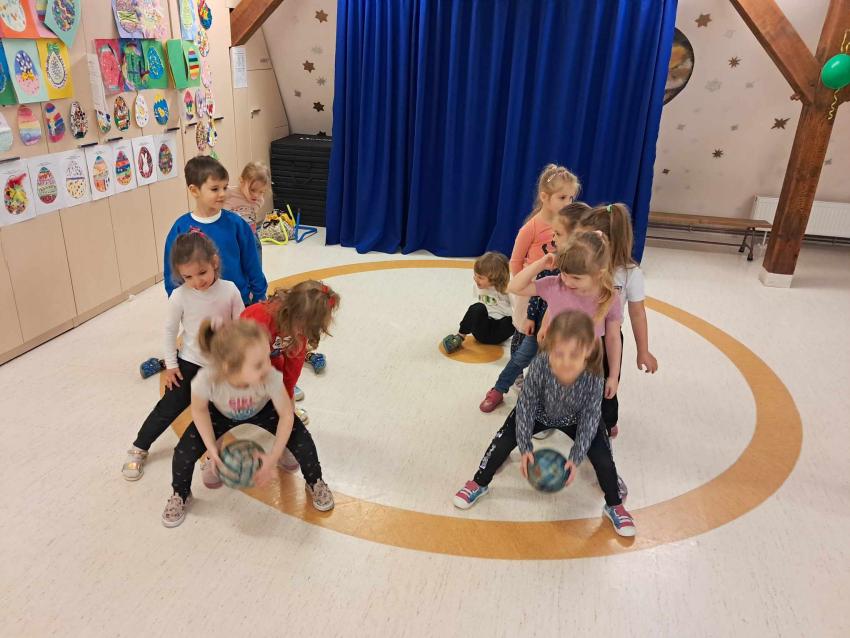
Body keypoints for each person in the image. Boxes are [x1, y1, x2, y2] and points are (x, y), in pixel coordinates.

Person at [452, 311, 636, 537]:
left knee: (604, 460)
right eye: (558, 353)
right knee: (501, 443)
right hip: (537, 414)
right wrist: (525, 447)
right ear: (548, 349)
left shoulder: (594, 376)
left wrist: (576, 457)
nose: (565, 362)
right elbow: (526, 406)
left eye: (574, 355)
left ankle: (614, 505)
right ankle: (479, 483)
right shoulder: (539, 366)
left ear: (588, 353)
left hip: (576, 419)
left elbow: (590, 419)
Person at [162, 319, 334, 528]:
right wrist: (213, 452)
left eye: (267, 357)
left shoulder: (269, 376)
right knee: (182, 453)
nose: (268, 367)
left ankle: (315, 481)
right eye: (258, 364)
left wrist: (273, 457)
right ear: (229, 368)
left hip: (264, 410)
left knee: (304, 441)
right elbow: (199, 412)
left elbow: (287, 416)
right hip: (220, 414)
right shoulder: (206, 379)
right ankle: (180, 494)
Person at [122, 233, 244, 481]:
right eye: (188, 277)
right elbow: (169, 332)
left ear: (214, 262)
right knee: (167, 408)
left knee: (215, 413)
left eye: (202, 272)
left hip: (220, 368)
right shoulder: (179, 296)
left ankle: (210, 456)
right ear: (179, 274)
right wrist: (171, 365)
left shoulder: (230, 290)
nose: (197, 281)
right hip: (188, 363)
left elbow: (241, 325)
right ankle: (139, 447)